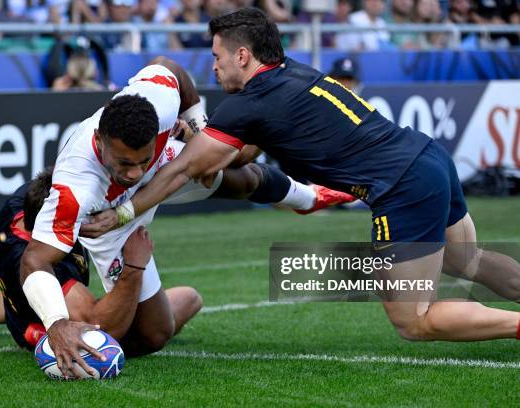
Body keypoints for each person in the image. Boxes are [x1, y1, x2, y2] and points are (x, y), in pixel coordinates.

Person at [104, 8, 520, 344]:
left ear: (243, 56)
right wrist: (200, 135)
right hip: (428, 156)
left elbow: (182, 169)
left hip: (402, 186)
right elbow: (240, 153)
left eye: (217, 57)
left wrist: (122, 213)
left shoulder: (249, 103)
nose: (214, 67)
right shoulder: (292, 71)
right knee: (467, 260)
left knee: (415, 320)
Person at [18, 57, 355, 378]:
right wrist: (57, 323)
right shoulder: (76, 186)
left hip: (164, 170)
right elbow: (34, 260)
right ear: (99, 142)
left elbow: (171, 67)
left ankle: (309, 197)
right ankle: (137, 311)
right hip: (106, 222)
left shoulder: (158, 100)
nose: (134, 173)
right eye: (124, 163)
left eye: (140, 160)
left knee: (237, 176)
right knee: (154, 334)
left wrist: (198, 131)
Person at [0, 169, 203, 353]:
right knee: (180, 307)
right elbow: (103, 327)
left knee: (10, 299)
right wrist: (133, 267)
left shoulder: (24, 203)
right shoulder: (41, 264)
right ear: (55, 226)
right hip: (37, 329)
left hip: (16, 302)